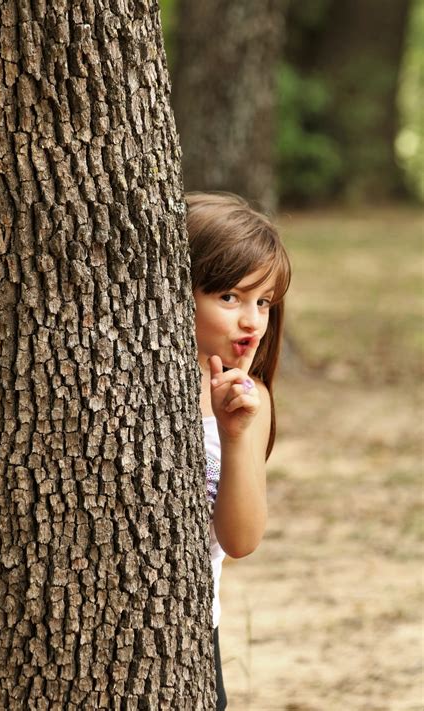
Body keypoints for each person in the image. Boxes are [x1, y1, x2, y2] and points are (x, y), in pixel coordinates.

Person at [186, 192, 291, 710]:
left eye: (264, 302)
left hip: (190, 637)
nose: (253, 321)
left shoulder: (252, 400)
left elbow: (242, 538)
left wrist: (234, 436)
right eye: (229, 297)